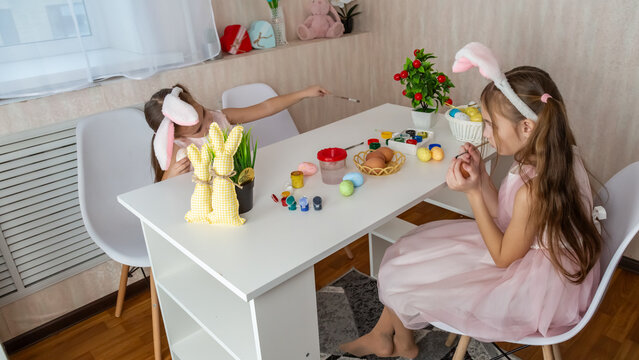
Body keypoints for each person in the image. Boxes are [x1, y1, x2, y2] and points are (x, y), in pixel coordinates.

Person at [340, 43, 603, 359]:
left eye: (491, 124)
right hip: (524, 255)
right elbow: (508, 214)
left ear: (526, 126)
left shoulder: (536, 190)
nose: (485, 132)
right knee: (407, 254)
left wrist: (473, 195)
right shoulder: (552, 157)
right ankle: (389, 337)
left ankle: (394, 339)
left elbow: (504, 257)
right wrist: (481, 181)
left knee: (404, 268)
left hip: (531, 286)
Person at [144, 84, 328, 182]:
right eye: (199, 129)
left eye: (204, 113)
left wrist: (303, 93)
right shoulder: (179, 148)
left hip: (244, 188)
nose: (210, 123)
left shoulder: (221, 118)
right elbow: (163, 190)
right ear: (172, 137)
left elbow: (266, 107)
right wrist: (170, 177)